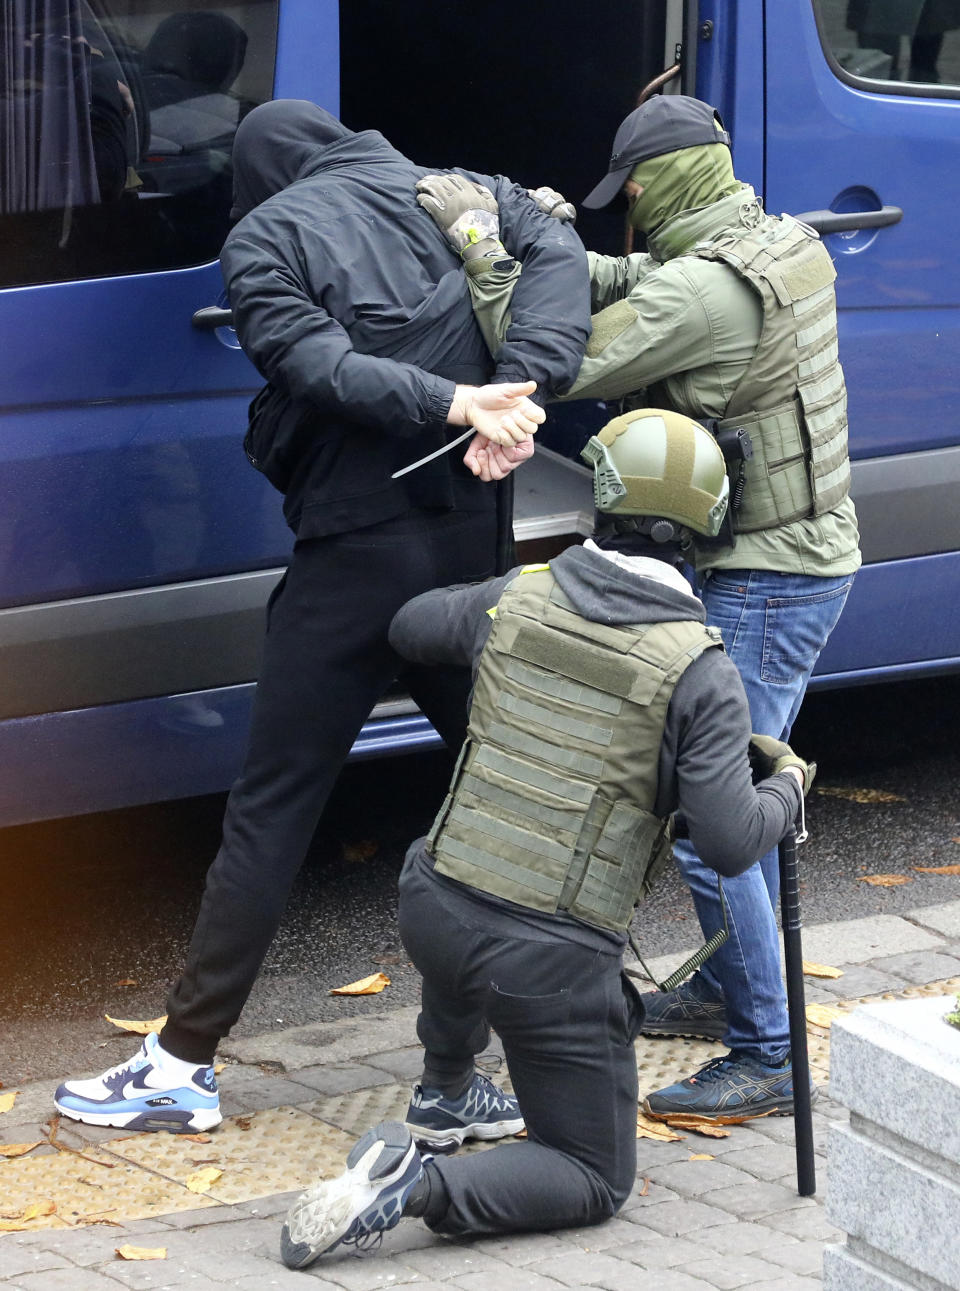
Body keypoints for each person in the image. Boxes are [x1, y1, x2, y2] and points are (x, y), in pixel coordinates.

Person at [53, 99, 590, 1135]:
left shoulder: (262, 236)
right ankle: (528, 1051)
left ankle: (182, 1063)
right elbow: (561, 243)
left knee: (273, 808)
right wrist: (519, 386)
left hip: (355, 556)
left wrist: (461, 403)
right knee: (508, 790)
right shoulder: (456, 188)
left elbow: (313, 364)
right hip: (470, 541)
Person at [278, 407, 814, 1270]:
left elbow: (413, 626)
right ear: (706, 524)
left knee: (468, 905)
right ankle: (411, 1187)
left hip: (435, 906)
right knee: (592, 1173)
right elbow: (727, 840)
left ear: (597, 501)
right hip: (545, 964)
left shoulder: (519, 596)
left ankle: (447, 1088)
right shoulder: (699, 671)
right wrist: (788, 786)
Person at [417, 93, 861, 1123]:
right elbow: (634, 278)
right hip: (789, 556)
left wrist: (487, 251)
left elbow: (557, 361)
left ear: (666, 182)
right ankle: (722, 990)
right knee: (705, 808)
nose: (631, 211)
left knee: (718, 829)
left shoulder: (706, 291)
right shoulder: (770, 239)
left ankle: (768, 1052)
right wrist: (549, 239)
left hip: (766, 575)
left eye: (635, 193)